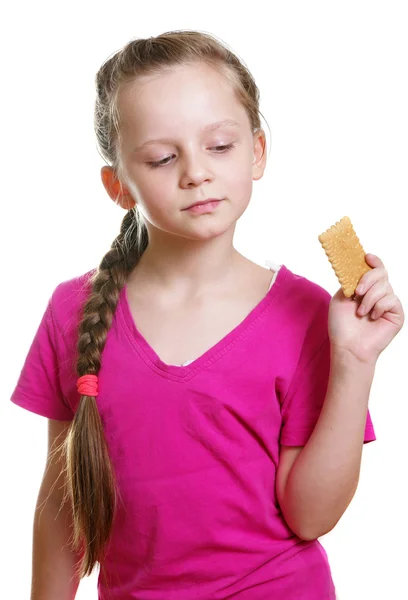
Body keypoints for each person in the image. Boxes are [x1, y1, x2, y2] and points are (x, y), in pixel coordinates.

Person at [10, 30, 404, 600]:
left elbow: (311, 517)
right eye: (163, 158)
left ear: (258, 152)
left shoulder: (312, 315)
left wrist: (355, 361)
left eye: (219, 146)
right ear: (118, 185)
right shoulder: (71, 311)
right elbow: (63, 501)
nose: (196, 172)